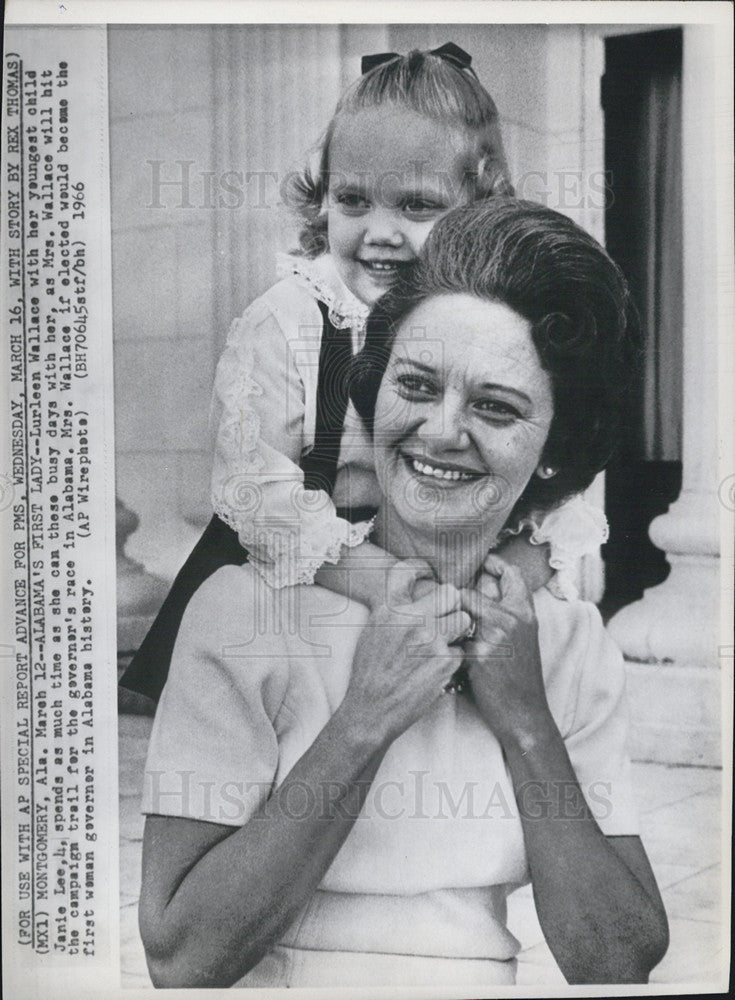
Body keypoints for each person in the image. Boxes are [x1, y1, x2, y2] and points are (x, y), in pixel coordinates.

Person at [138, 199, 668, 989]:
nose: (440, 430)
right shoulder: (244, 614)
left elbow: (617, 958)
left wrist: (525, 719)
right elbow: (182, 957)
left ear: (555, 452)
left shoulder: (564, 641)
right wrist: (366, 717)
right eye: (415, 386)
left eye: (494, 406)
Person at [120, 44, 607, 702]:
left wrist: (514, 568)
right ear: (321, 198)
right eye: (353, 201)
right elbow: (253, 492)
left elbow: (559, 475)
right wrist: (384, 580)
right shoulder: (290, 319)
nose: (379, 232)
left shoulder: (495, 318)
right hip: (317, 571)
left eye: (415, 207)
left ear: (477, 206)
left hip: (459, 565)